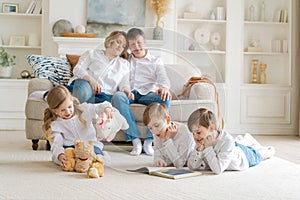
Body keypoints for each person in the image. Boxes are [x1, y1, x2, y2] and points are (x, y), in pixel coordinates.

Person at [125, 27, 172, 156]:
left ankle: (149, 139)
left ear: (144, 42)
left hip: (147, 94)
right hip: (129, 93)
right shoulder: (125, 60)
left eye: (139, 42)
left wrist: (165, 88)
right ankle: (135, 140)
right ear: (128, 46)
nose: (137, 47)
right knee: (118, 98)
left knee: (165, 98)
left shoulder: (156, 61)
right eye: (132, 44)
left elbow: (163, 79)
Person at [42, 85, 113, 169]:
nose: (68, 112)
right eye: (63, 110)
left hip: (90, 146)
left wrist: (106, 109)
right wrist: (60, 155)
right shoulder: (56, 124)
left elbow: (99, 106)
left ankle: (92, 163)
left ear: (72, 101)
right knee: (68, 160)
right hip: (71, 148)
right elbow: (56, 144)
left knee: (96, 156)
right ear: (55, 111)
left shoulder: (84, 109)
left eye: (69, 107)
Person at [186, 108, 276, 175]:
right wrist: (198, 150)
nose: (195, 136)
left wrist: (209, 148)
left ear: (211, 128)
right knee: (242, 145)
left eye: (198, 132)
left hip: (243, 157)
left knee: (258, 155)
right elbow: (192, 167)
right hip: (232, 148)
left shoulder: (226, 141)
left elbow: (218, 170)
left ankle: (269, 150)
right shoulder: (202, 140)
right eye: (193, 133)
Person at [143, 103, 196, 168]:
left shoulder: (185, 134)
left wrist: (167, 140)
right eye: (150, 128)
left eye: (156, 125)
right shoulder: (158, 133)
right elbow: (158, 154)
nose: (154, 131)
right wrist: (159, 160)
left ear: (168, 120)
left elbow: (180, 164)